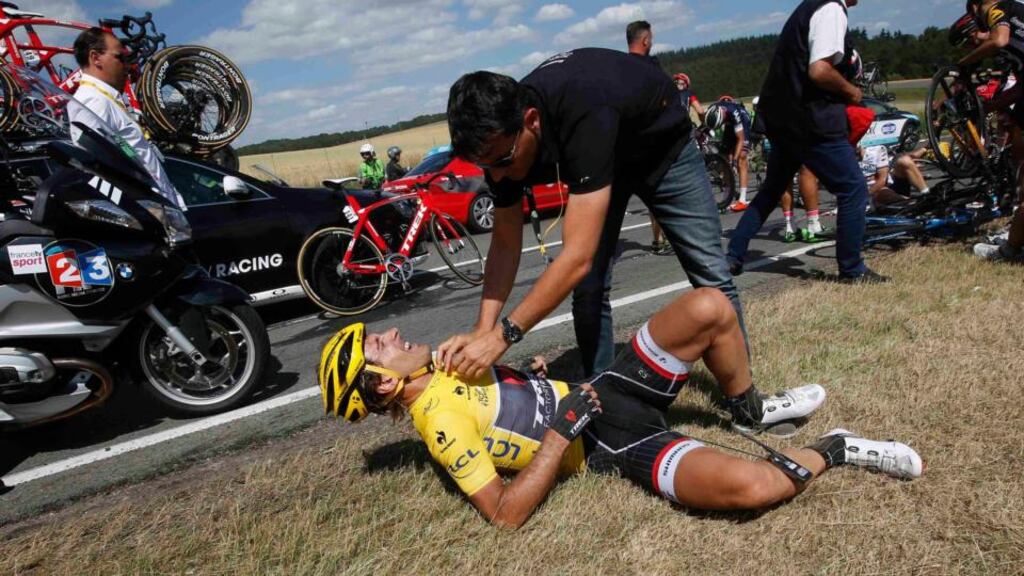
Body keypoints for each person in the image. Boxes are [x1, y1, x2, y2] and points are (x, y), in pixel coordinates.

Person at [319, 288, 923, 529]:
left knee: (710, 307)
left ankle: (751, 409)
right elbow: (504, 515)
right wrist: (557, 438)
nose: (394, 336)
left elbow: (499, 400)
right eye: (380, 346)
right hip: (608, 445)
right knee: (754, 487)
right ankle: (839, 447)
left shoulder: (444, 365)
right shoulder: (440, 428)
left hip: (607, 390)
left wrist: (519, 377)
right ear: (382, 388)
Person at [441, 50, 747, 378]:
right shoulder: (502, 144)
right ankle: (601, 393)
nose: (497, 177)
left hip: (662, 148)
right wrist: (482, 328)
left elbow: (577, 258)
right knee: (588, 290)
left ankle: (742, 390)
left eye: (502, 162)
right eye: (486, 166)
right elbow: (504, 244)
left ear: (532, 121)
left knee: (710, 272)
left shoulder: (582, 108)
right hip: (605, 163)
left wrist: (504, 336)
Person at [726, 0, 887, 284]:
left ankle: (733, 254)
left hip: (783, 119)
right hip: (811, 120)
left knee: (771, 190)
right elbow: (820, 70)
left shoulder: (807, 8)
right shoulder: (831, 9)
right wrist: (852, 92)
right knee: (853, 188)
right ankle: (852, 269)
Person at [71, 27, 183, 208]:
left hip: (161, 205)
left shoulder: (107, 98)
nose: (127, 64)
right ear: (95, 58)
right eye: (119, 57)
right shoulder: (92, 100)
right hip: (148, 210)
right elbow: (97, 166)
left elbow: (123, 147)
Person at [961, 0, 1024, 262]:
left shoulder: (994, 6)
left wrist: (965, 62)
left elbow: (998, 40)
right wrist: (991, 105)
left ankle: (1009, 251)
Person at [624, 21, 673, 256]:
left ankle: (657, 240)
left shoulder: (621, 67)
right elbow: (664, 101)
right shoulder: (652, 67)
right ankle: (667, 240)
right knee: (664, 196)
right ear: (645, 40)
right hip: (655, 142)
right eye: (650, 39)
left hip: (630, 145)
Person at [705, 99, 753, 212]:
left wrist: (734, 160)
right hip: (728, 123)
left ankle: (742, 199)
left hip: (742, 121)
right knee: (725, 161)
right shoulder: (712, 109)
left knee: (741, 157)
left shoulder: (734, 113)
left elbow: (741, 139)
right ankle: (726, 200)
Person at [860, 146, 931, 208]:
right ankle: (915, 205)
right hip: (873, 195)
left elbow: (882, 180)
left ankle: (927, 194)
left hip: (888, 184)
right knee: (883, 192)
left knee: (904, 160)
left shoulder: (874, 152)